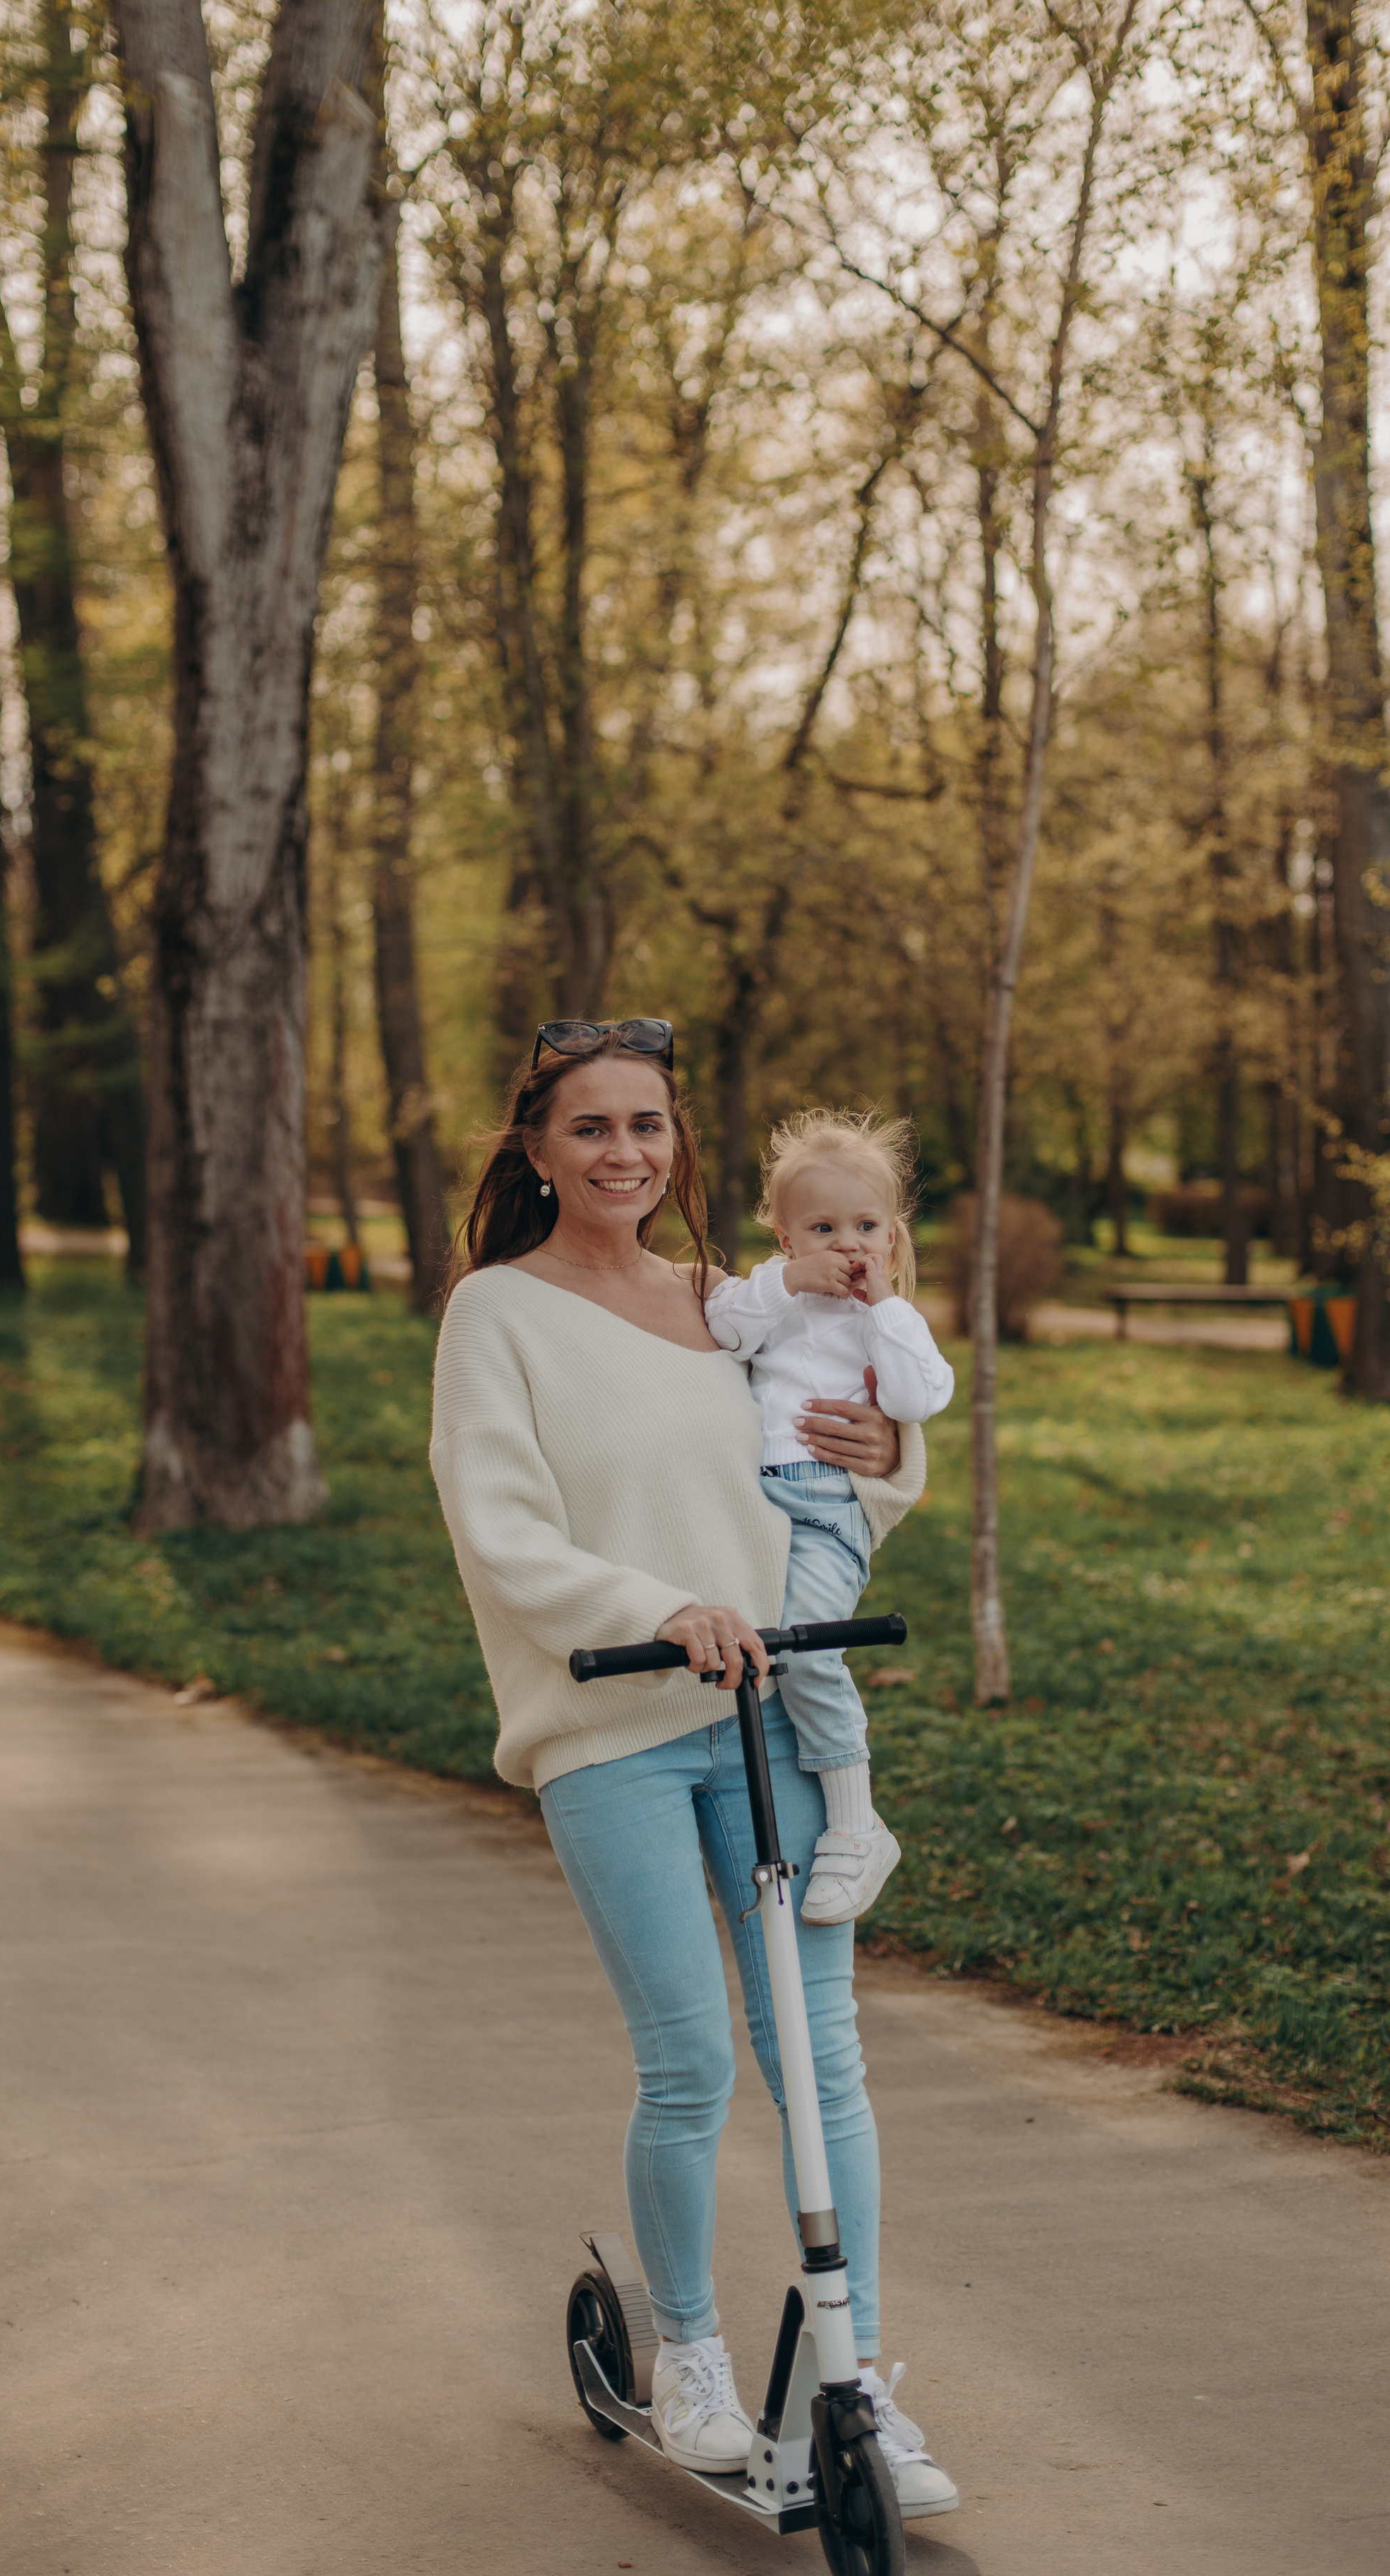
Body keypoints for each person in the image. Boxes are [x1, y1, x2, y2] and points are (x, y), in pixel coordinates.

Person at [429, 1019, 958, 2520]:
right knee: (693, 2067)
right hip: (615, 1731)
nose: (623, 1156)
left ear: (677, 1142)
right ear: (534, 1148)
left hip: (768, 1718)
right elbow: (501, 1525)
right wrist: (656, 1612)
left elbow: (835, 1461)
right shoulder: (498, 1314)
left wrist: (884, 1453)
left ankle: (844, 2382)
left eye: (647, 1126)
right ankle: (691, 2361)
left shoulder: (735, 1300)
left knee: (822, 2062)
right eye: (589, 1129)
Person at [704, 1110, 954, 1926]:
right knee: (756, 1660)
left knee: (809, 1655)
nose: (847, 1245)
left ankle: (855, 1826)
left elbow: (919, 1400)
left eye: (866, 1227)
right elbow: (723, 1328)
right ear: (784, 1236)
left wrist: (884, 1310)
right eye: (822, 1228)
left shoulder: (889, 1321)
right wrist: (782, 1284)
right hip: (752, 1508)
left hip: (824, 1512)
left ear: (891, 1234)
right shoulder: (768, 1296)